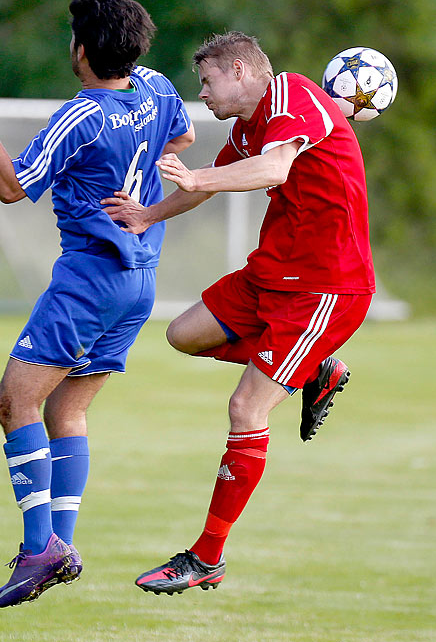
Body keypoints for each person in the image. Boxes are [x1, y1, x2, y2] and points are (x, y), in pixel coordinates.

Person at [103, 31, 375, 595]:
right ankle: (315, 368)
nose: (201, 93)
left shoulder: (295, 93)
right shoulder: (249, 125)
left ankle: (206, 556)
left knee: (247, 408)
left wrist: (198, 176)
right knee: (183, 334)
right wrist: (147, 215)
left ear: (242, 71)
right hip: (272, 274)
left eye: (207, 81)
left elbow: (273, 170)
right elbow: (208, 187)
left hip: (325, 287)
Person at [0, 0, 194, 608]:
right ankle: (61, 546)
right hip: (139, 282)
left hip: (89, 282)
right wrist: (136, 183)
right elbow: (184, 138)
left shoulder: (82, 115)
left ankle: (41, 545)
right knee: (68, 411)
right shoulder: (154, 86)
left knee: (14, 402)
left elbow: (13, 187)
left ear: (83, 49)